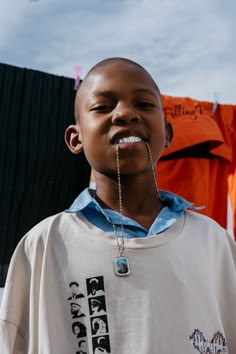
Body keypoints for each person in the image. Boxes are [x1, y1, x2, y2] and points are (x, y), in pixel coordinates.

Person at [0, 57, 236, 354]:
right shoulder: (44, 245)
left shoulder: (215, 242)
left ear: (168, 135)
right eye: (103, 107)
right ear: (76, 139)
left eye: (144, 104)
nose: (125, 113)